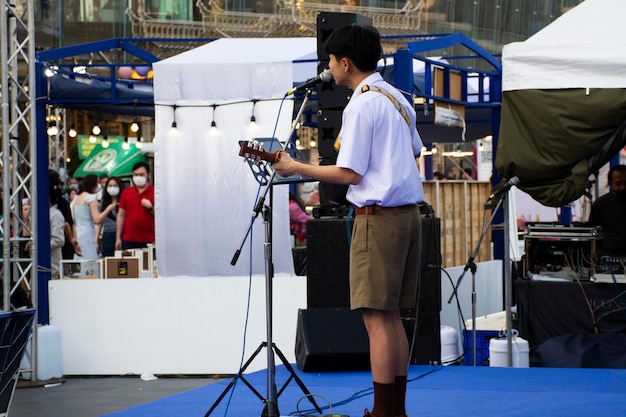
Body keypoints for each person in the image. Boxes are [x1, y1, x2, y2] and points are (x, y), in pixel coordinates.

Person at [274, 24, 424, 417]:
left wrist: (296, 167)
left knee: (376, 319)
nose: (329, 68)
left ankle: (381, 411)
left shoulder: (361, 103)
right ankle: (395, 411)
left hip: (379, 218)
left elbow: (349, 173)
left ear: (344, 62)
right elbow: (414, 152)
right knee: (392, 318)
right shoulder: (397, 98)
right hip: (408, 217)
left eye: (330, 60)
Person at [71, 174, 117, 276]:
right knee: (90, 264)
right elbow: (97, 219)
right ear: (94, 184)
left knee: (80, 264)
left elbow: (73, 221)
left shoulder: (76, 199)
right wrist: (108, 208)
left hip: (78, 234)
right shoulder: (91, 199)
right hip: (88, 234)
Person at [115, 161, 155, 250]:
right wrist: (118, 238)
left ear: (148, 175)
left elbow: (161, 217)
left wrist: (150, 207)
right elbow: (121, 215)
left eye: (141, 175)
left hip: (149, 240)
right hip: (129, 239)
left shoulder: (155, 192)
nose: (138, 177)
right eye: (136, 175)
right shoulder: (126, 192)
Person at [589, 164, 626, 257]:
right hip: (610, 258)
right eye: (618, 183)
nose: (623, 187)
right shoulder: (601, 204)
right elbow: (593, 231)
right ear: (610, 183)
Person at [97, 177, 125, 257]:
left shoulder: (123, 200)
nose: (112, 188)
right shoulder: (104, 201)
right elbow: (100, 221)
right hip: (108, 234)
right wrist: (96, 239)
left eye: (115, 185)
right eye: (110, 185)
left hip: (122, 234)